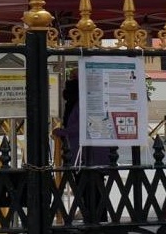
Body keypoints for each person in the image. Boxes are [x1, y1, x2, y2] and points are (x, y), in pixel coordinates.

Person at [53, 77, 112, 223]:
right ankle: (96, 219)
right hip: (88, 153)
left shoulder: (84, 103)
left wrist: (61, 132)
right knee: (92, 189)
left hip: (87, 154)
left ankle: (96, 220)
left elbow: (81, 126)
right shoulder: (81, 102)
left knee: (90, 189)